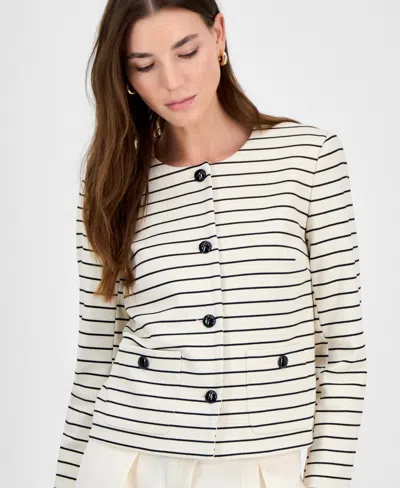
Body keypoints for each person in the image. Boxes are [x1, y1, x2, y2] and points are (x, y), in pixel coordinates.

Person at [54, 1, 367, 487]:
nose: (172, 81)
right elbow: (97, 353)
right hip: (127, 463)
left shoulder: (309, 159)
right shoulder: (109, 185)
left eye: (187, 52)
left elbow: (344, 351)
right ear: (126, 77)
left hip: (263, 466)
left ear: (218, 36)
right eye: (145, 65)